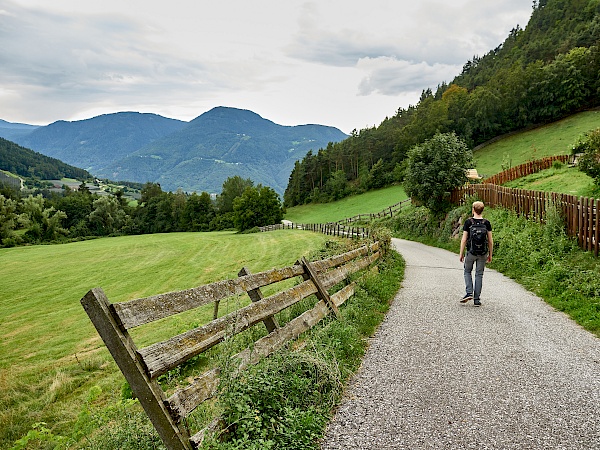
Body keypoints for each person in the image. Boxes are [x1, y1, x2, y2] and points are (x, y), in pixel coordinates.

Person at [459, 201, 493, 306]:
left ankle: (469, 292)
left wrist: (461, 253)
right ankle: (477, 299)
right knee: (479, 274)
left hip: (471, 252)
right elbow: (490, 241)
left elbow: (464, 239)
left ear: (473, 209)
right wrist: (490, 254)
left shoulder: (468, 222)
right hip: (483, 252)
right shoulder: (486, 223)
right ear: (482, 210)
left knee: (467, 271)